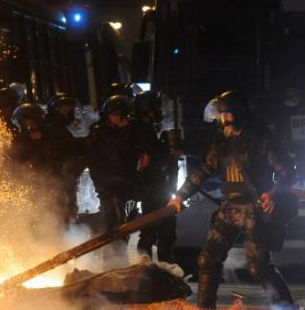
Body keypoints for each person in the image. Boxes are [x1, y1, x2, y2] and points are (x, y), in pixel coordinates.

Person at [168, 92, 298, 310]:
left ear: (238, 114)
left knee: (258, 267)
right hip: (229, 207)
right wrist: (181, 195)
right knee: (207, 261)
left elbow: (287, 172)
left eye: (226, 114)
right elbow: (204, 170)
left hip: (254, 209)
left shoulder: (260, 138)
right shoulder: (222, 141)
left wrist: (273, 194)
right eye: (220, 115)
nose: (222, 119)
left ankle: (285, 308)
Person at [87, 94, 136, 267]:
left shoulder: (126, 130)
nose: (118, 118)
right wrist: (122, 132)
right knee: (113, 221)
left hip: (123, 182)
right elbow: (114, 153)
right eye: (115, 114)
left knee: (124, 221)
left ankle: (119, 258)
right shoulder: (99, 131)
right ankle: (111, 261)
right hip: (107, 183)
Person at [132, 91, 178, 263]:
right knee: (151, 233)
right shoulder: (140, 130)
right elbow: (154, 159)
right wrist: (168, 150)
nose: (160, 111)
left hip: (157, 188)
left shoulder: (147, 129)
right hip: (151, 189)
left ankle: (161, 271)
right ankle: (146, 271)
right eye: (157, 107)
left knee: (163, 233)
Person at [45, 94, 86, 224]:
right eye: (65, 110)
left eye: (69, 110)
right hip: (57, 174)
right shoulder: (52, 128)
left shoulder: (61, 129)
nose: (67, 114)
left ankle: (69, 227)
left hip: (66, 174)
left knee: (68, 201)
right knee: (61, 203)